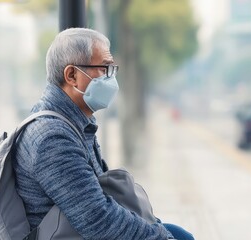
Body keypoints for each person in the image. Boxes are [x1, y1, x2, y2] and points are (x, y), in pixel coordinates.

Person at [13, 28, 194, 240]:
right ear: (72, 75)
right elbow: (98, 220)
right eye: (105, 69)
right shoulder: (52, 138)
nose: (111, 78)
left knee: (179, 234)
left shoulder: (74, 122)